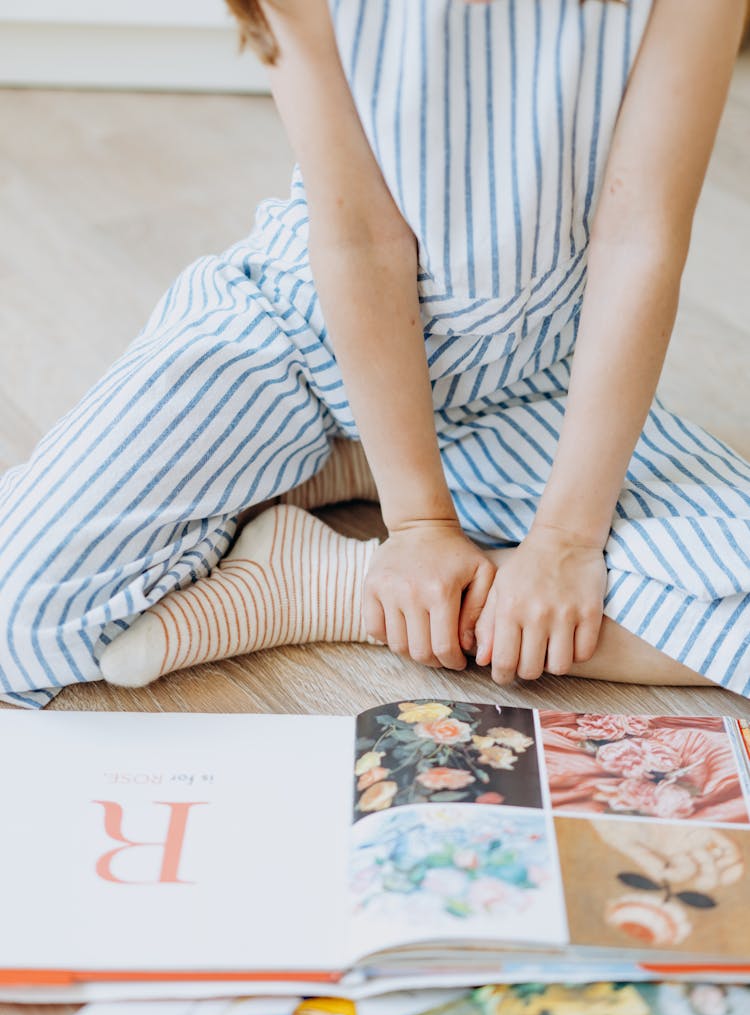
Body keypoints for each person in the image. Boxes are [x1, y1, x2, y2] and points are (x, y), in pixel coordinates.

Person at [1, 0, 748, 709]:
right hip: (300, 327)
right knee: (16, 611)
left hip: (532, 374)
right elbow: (359, 234)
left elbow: (637, 238)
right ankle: (355, 468)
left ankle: (327, 584)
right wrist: (419, 523)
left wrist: (566, 539)